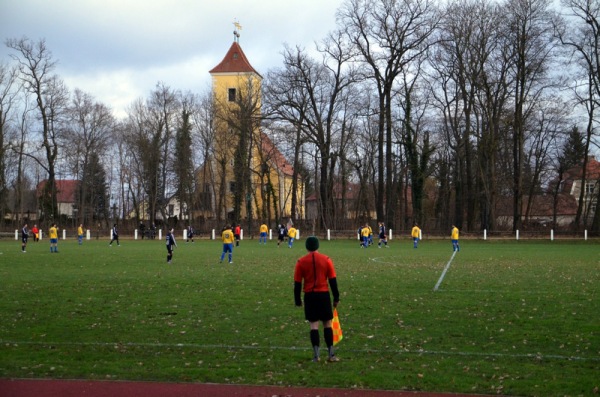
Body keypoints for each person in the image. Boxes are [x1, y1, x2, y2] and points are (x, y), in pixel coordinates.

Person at [294, 236, 340, 363]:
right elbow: (333, 281)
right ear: (318, 246)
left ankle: (316, 355)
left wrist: (297, 300)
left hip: (310, 296)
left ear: (307, 247)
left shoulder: (300, 262)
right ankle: (331, 354)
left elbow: (297, 283)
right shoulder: (326, 260)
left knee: (313, 325)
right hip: (323, 295)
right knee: (327, 324)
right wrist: (336, 297)